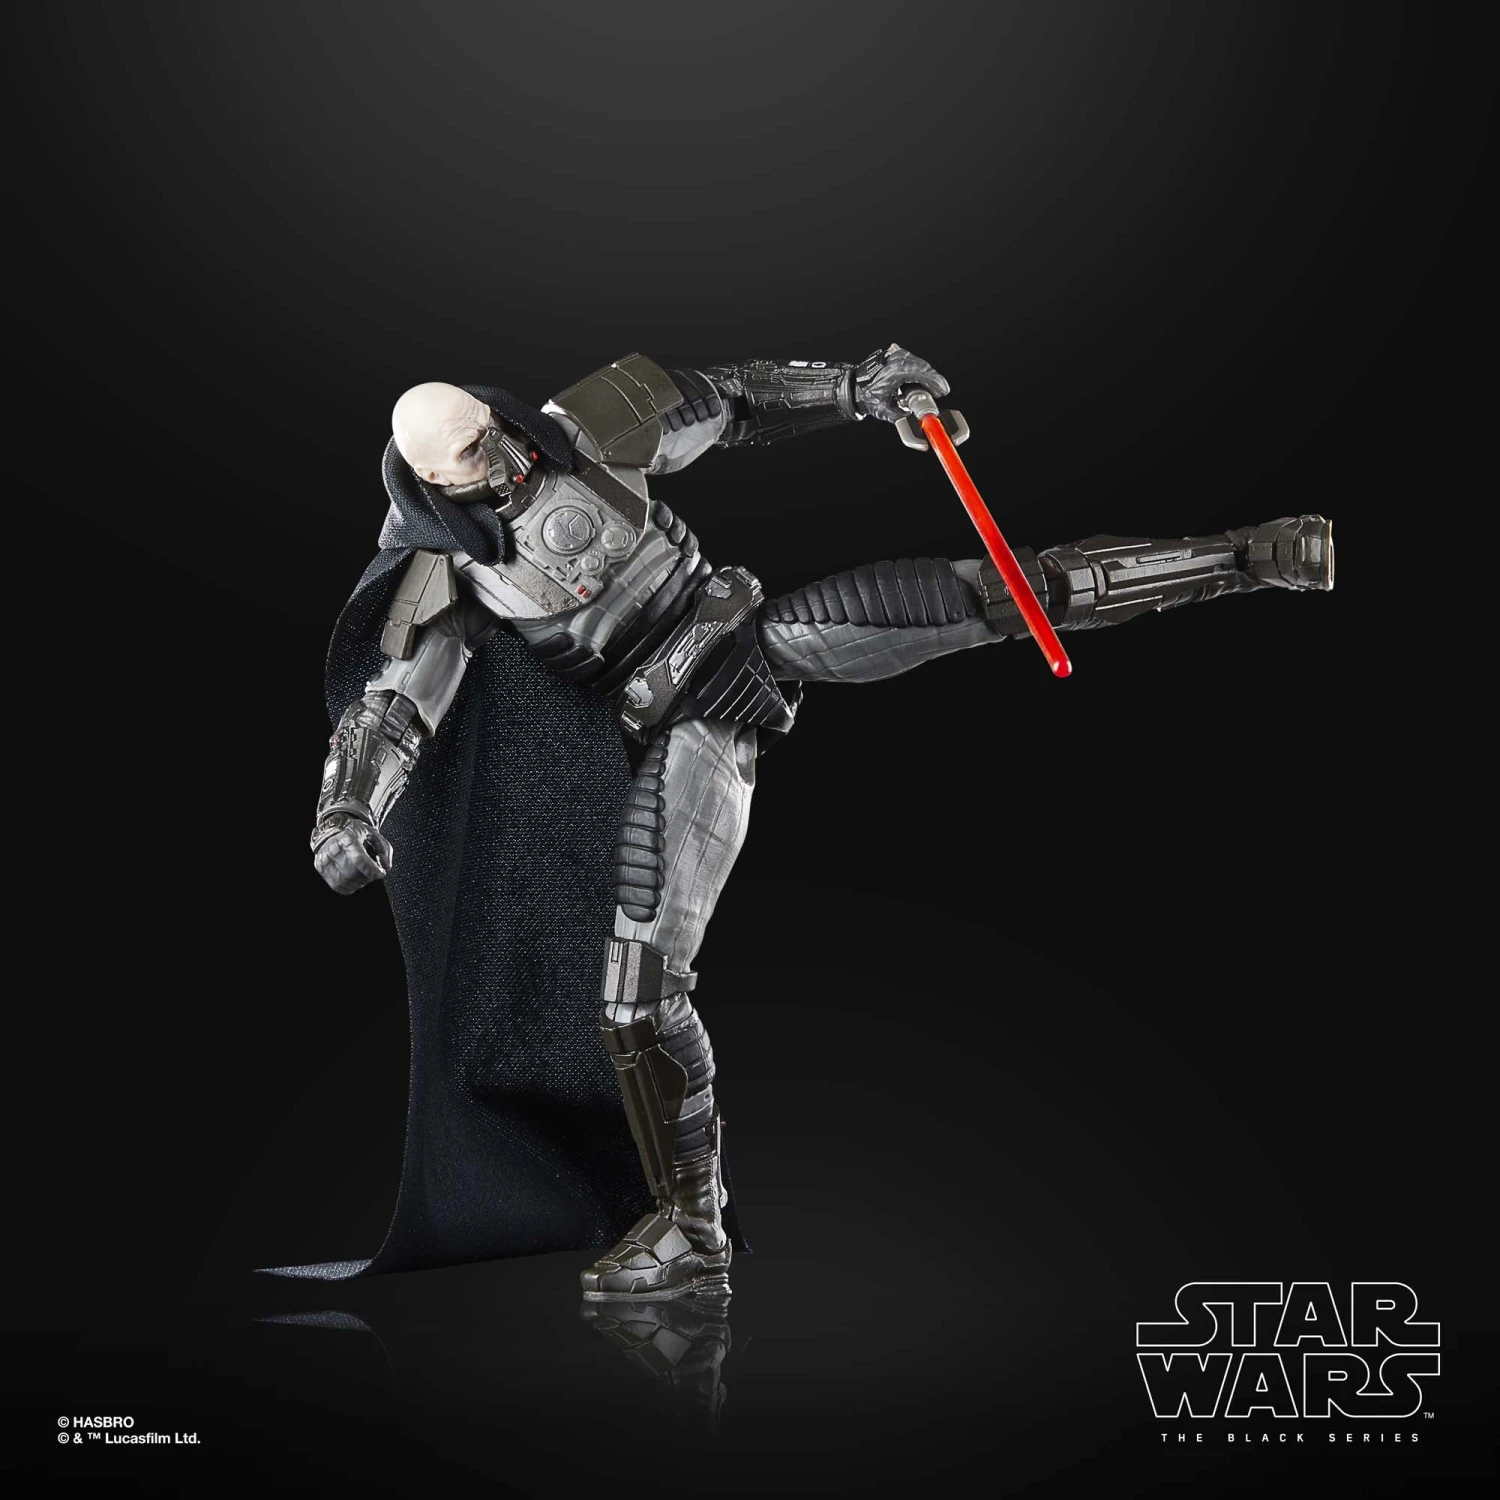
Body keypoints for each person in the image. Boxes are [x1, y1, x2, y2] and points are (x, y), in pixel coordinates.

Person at [309, 346, 1333, 1300]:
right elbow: (394, 709)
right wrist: (349, 809)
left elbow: (731, 400)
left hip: (754, 637)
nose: (501, 454)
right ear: (432, 480)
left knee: (1001, 592)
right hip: (689, 727)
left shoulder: (580, 429)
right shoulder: (446, 571)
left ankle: (1252, 554)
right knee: (635, 1002)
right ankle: (691, 1229)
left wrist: (861, 387)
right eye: (471, 453)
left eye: (489, 427)